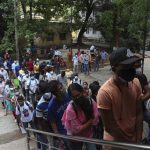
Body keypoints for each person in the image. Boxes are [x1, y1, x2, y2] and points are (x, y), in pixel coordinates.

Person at [97, 48, 149, 150]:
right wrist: (129, 144)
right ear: (114, 68)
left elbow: (138, 113)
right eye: (126, 66)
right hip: (115, 144)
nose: (131, 68)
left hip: (134, 141)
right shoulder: (105, 93)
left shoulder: (136, 83)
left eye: (132, 64)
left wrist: (137, 141)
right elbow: (109, 127)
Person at [62, 83, 99, 150]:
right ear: (71, 97)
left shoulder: (90, 102)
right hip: (75, 139)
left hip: (88, 134)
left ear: (82, 92)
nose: (77, 98)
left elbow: (96, 120)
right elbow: (75, 130)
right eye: (74, 97)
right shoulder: (70, 109)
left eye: (78, 95)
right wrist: (90, 121)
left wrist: (85, 125)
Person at [47, 80, 71, 150]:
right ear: (54, 93)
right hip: (65, 134)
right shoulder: (51, 106)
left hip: (76, 128)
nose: (62, 90)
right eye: (59, 89)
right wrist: (59, 139)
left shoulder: (68, 95)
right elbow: (53, 124)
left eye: (61, 87)